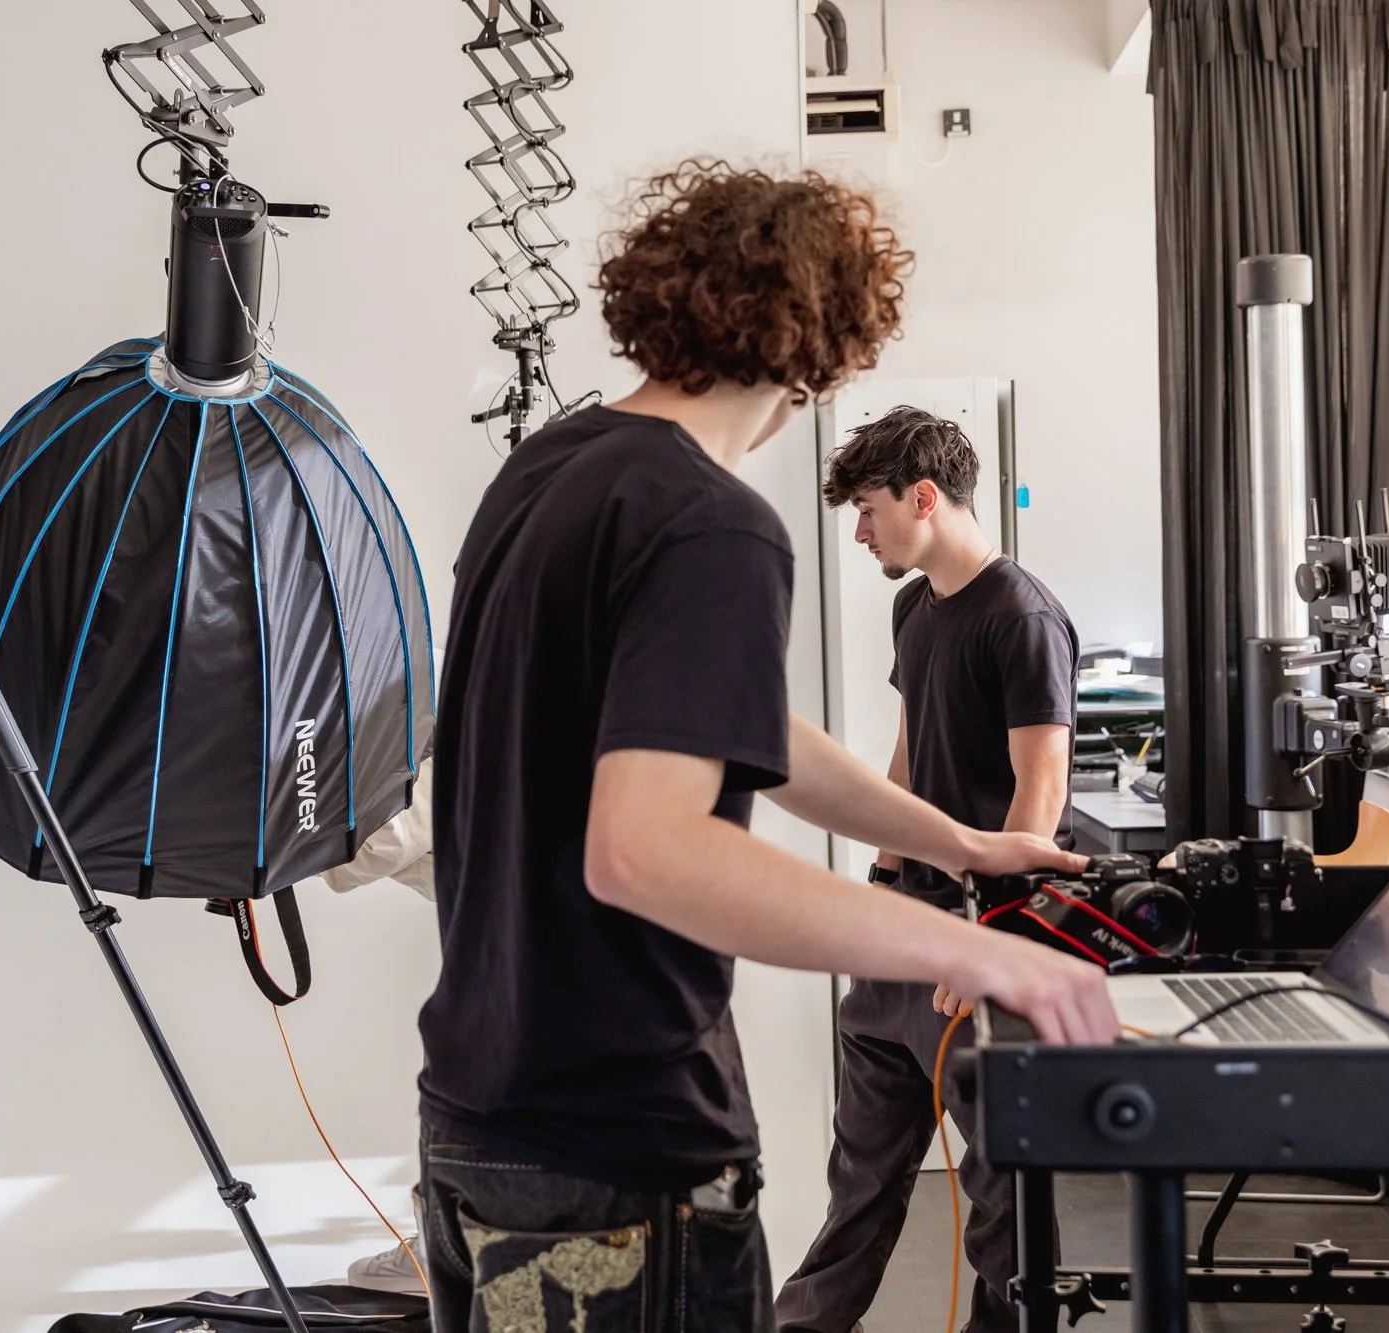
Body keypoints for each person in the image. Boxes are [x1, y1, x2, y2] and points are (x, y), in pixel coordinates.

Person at [412, 160, 1116, 1333]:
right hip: (616, 1147)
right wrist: (988, 954)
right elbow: (645, 850)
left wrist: (959, 843)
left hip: (478, 1114)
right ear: (823, 343)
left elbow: (737, 727)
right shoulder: (709, 518)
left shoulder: (550, 470)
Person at [778, 407, 1080, 1333]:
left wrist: (982, 941)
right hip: (903, 936)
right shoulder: (914, 607)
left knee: (1003, 1211)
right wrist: (880, 883)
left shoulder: (1022, 617)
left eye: (868, 510)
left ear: (923, 496)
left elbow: (1042, 792)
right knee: (859, 1180)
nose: (861, 531)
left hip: (973, 949)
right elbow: (912, 753)